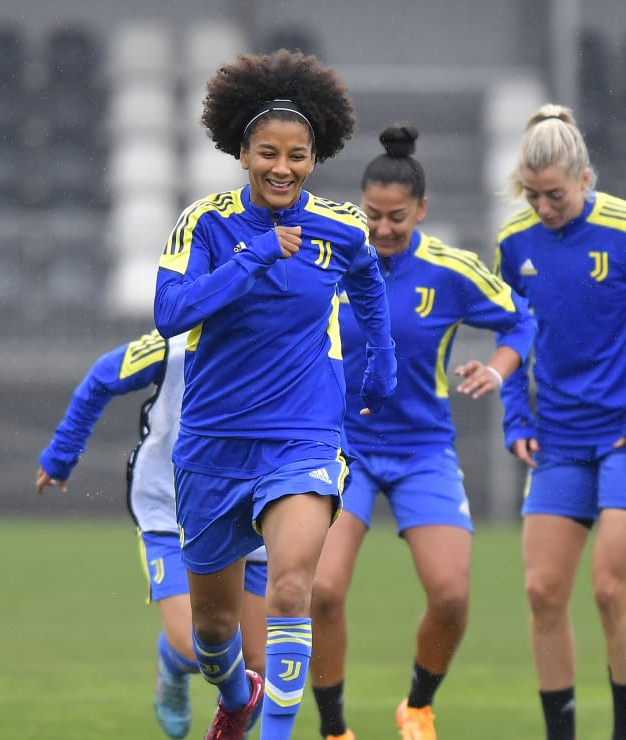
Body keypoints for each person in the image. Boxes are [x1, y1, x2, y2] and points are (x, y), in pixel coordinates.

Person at [152, 50, 396, 740]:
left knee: (295, 588)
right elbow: (170, 312)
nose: (281, 168)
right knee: (214, 631)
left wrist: (383, 364)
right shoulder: (206, 223)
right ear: (242, 152)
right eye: (267, 153)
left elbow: (369, 289)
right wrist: (255, 255)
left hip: (304, 436)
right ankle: (237, 696)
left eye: (296, 155)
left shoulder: (342, 228)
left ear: (315, 158)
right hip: (211, 445)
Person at [308, 125, 537, 740]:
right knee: (322, 590)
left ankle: (416, 706)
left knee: (451, 598)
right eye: (373, 215)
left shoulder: (450, 269)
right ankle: (334, 730)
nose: (382, 229)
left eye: (397, 218)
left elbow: (521, 321)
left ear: (422, 211)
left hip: (421, 451)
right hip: (340, 450)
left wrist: (498, 368)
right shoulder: (331, 262)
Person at [493, 104, 626, 740]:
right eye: (532, 195)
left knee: (610, 588)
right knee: (543, 593)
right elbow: (511, 333)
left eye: (554, 194)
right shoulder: (514, 241)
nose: (543, 207)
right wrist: (516, 413)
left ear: (585, 179)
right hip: (557, 439)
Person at [34, 330, 268, 739]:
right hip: (170, 509)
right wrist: (61, 455)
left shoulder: (288, 344)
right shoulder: (175, 346)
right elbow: (104, 375)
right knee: (196, 645)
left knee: (256, 665)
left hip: (252, 512)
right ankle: (172, 660)